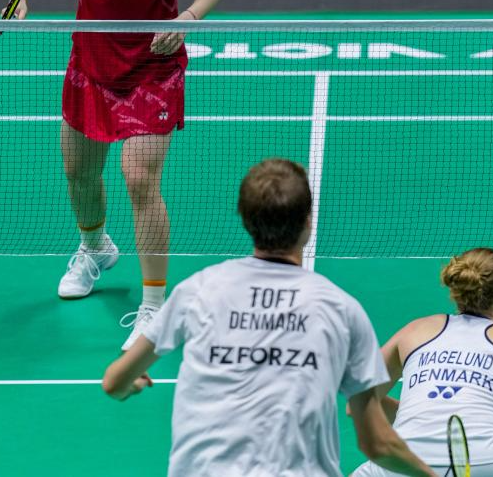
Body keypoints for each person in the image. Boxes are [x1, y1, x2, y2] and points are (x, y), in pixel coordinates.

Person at [4, 0, 225, 348]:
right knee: (79, 172)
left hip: (152, 67)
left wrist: (187, 19)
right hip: (93, 61)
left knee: (139, 177)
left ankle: (154, 305)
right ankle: (95, 248)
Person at [102, 158, 434, 477]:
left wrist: (130, 385)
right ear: (308, 222)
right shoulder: (341, 309)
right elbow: (376, 443)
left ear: (244, 219)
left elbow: (114, 382)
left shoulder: (198, 290)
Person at [352, 247, 493, 477]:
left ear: (455, 291)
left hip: (403, 457)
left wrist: (423, 420)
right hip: (488, 462)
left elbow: (357, 402)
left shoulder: (414, 330)